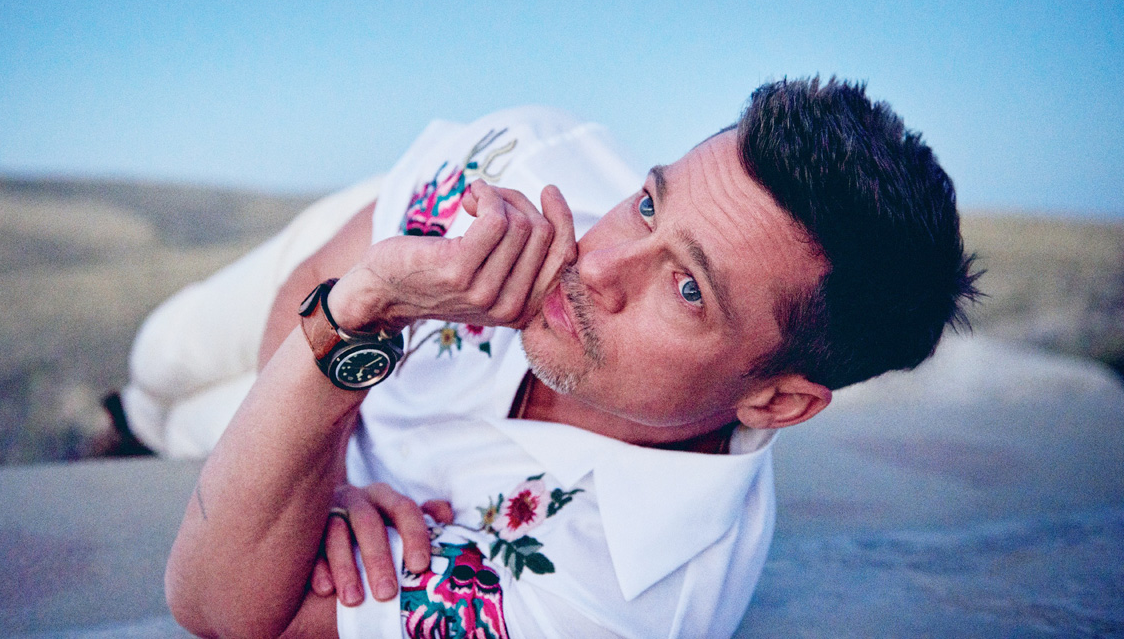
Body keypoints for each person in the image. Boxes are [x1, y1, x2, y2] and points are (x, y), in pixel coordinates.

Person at [163, 77, 980, 638]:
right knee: (165, 351)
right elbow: (311, 282)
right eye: (649, 204)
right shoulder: (530, 163)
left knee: (176, 424)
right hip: (367, 253)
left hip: (343, 344)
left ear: (777, 401)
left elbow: (222, 606)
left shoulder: (613, 600)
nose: (596, 265)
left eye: (687, 288)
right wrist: (322, 476)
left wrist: (360, 317)